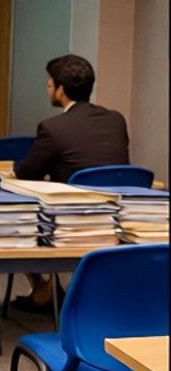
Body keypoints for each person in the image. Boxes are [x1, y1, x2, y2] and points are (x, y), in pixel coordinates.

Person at [13, 53, 130, 312]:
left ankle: (44, 288)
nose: (47, 86)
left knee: (19, 217)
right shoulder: (116, 120)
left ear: (61, 90)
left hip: (71, 225)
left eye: (49, 82)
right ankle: (52, 291)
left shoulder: (53, 127)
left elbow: (26, 174)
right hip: (116, 222)